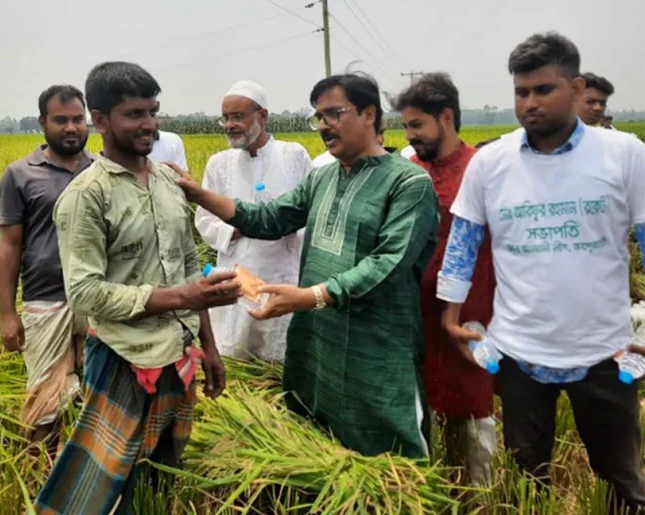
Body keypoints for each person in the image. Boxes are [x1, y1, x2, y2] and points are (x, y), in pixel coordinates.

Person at [175, 73, 440, 459]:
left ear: (369, 114)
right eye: (318, 117)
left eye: (334, 113)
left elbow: (388, 262)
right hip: (318, 339)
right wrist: (199, 193)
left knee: (388, 451)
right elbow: (269, 219)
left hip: (376, 343)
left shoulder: (409, 183)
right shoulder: (323, 178)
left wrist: (310, 297)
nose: (324, 125)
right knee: (321, 440)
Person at [437, 32, 645, 512]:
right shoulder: (492, 162)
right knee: (526, 482)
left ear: (577, 87)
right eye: (521, 92)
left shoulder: (624, 154)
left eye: (543, 90)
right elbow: (463, 241)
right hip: (519, 352)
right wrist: (450, 315)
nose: (529, 103)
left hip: (607, 351)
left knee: (622, 482)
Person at [35, 61, 242, 514]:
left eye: (153, 111)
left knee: (160, 477)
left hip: (178, 355)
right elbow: (84, 293)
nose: (149, 124)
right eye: (134, 114)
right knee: (97, 487)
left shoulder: (169, 181)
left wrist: (210, 347)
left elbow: (189, 265)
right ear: (101, 120)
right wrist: (182, 297)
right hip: (123, 356)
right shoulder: (87, 196)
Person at [392, 72, 497, 485]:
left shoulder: (481, 169)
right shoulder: (407, 172)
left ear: (447, 118)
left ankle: (478, 495)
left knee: (472, 410)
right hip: (415, 315)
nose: (410, 135)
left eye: (417, 125)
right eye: (406, 126)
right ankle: (431, 488)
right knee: (421, 405)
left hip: (471, 312)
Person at [0, 84, 94, 454]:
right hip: (46, 299)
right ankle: (38, 470)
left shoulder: (102, 170)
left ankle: (85, 473)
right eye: (60, 120)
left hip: (99, 298)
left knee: (96, 396)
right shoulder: (20, 174)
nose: (71, 128)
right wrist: (7, 314)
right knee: (44, 404)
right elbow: (10, 245)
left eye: (77, 119)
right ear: (42, 122)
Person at [195, 80, 311, 362]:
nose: (229, 125)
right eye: (225, 117)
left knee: (279, 354)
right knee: (237, 350)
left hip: (282, 272)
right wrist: (232, 229)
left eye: (237, 116)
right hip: (237, 270)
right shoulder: (218, 164)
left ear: (263, 116)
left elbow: (311, 212)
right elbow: (204, 219)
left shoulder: (294, 155)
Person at [311, 129, 396, 168]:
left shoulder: (392, 166)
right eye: (374, 133)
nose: (381, 140)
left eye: (382, 133)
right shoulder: (321, 164)